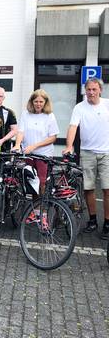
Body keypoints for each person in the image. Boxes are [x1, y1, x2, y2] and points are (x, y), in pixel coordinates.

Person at [63, 77, 109, 239]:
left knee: (107, 189)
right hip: (87, 152)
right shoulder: (79, 107)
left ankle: (108, 223)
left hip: (106, 153)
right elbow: (72, 127)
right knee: (88, 188)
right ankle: (92, 220)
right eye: (88, 89)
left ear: (100, 90)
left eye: (94, 89)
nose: (91, 92)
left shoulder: (107, 104)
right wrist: (69, 146)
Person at [12, 89, 59, 192]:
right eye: (36, 101)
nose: (38, 104)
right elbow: (21, 131)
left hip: (43, 154)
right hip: (29, 154)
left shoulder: (49, 116)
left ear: (45, 102)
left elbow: (53, 137)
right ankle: (33, 206)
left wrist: (34, 146)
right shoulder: (26, 114)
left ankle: (41, 206)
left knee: (42, 182)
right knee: (31, 181)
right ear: (32, 102)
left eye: (41, 102)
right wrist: (17, 145)